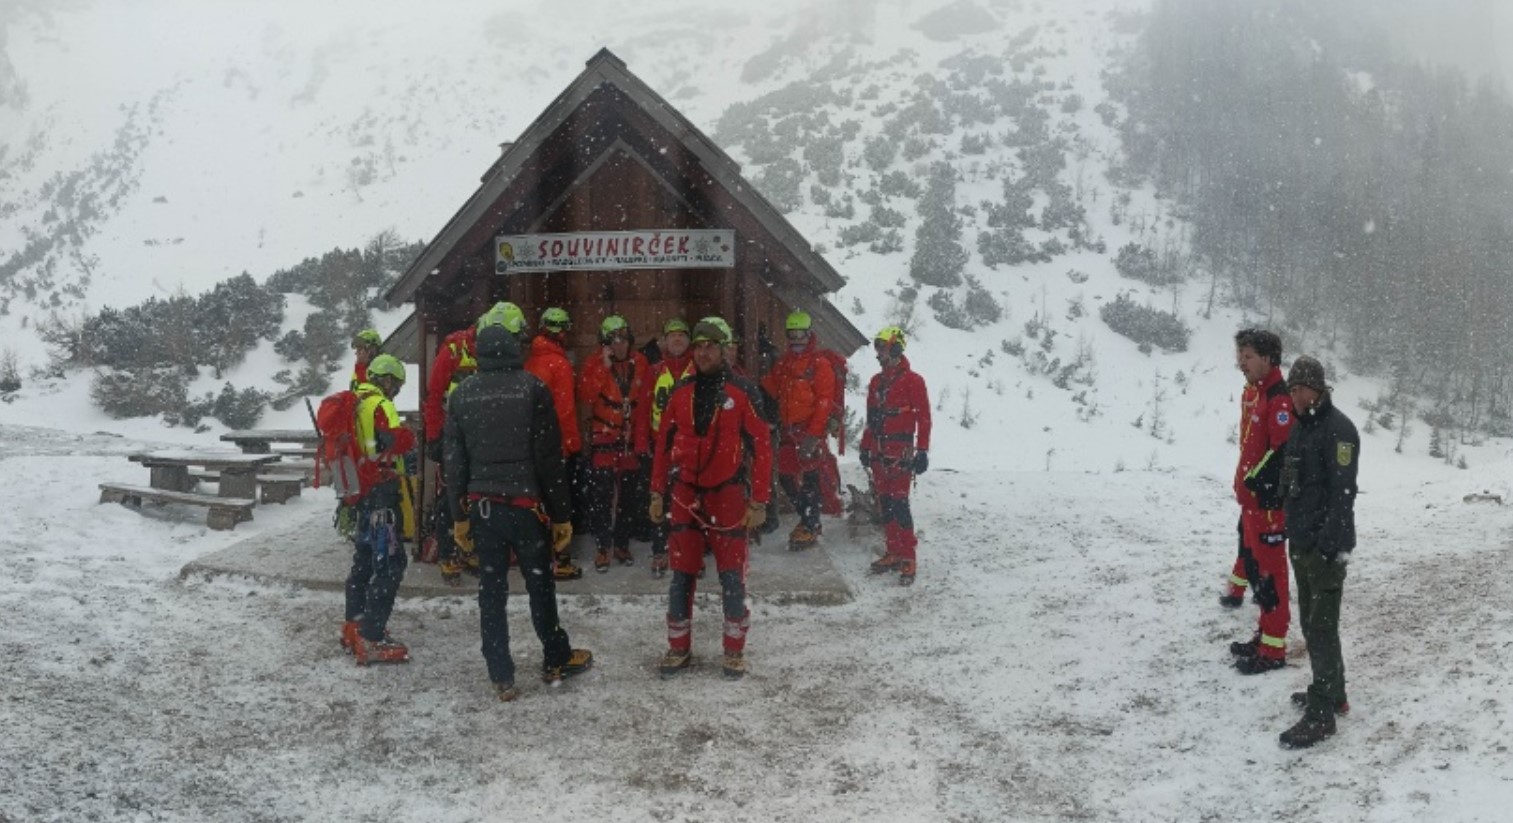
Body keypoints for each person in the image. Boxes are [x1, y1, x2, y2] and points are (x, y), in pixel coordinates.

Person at [443, 323, 593, 701]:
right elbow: (549, 460)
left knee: (490, 592)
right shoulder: (532, 388)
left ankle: (501, 674)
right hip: (528, 509)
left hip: (483, 509)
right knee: (540, 585)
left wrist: (457, 517)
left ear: (479, 354)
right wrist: (562, 516)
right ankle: (555, 658)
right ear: (513, 350)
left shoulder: (461, 395)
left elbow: (454, 462)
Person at [649, 317, 772, 680]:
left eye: (711, 346)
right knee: (681, 578)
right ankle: (678, 647)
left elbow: (762, 447)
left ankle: (734, 651)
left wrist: (760, 500)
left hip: (728, 496)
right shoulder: (680, 392)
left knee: (732, 579)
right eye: (698, 345)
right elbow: (662, 447)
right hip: (685, 495)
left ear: (724, 349)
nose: (703, 352)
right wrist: (657, 491)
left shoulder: (743, 393)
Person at [1272, 356, 1358, 747]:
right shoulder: (1302, 429)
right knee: (1311, 625)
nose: (1294, 395)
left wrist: (1326, 546)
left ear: (1318, 388)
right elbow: (1295, 481)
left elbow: (1343, 496)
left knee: (1321, 629)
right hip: (1302, 543)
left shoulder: (1338, 430)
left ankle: (1322, 713)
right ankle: (1333, 693)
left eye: (1300, 388)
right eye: (1291, 389)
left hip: (1324, 548)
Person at [422, 302, 526, 585]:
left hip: (483, 439)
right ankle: (447, 554)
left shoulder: (498, 354)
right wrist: (434, 437)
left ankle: (470, 550)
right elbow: (434, 397)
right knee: (450, 498)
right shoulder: (454, 350)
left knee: (479, 496)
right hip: (454, 436)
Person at [340, 354, 418, 665]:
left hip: (360, 491)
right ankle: (371, 637)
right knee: (390, 564)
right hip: (382, 493)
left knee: (363, 560)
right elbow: (393, 441)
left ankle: (353, 625)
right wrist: (408, 435)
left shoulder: (355, 400)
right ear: (387, 379)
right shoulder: (381, 405)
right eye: (396, 384)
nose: (396, 391)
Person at [1226, 329, 1295, 675]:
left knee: (1271, 577)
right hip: (1252, 505)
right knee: (1257, 571)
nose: (1241, 363)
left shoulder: (1280, 400)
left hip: (1268, 507)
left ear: (1269, 359)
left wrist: (1256, 485)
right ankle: (1264, 634)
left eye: (1248, 356)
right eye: (1240, 356)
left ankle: (1273, 650)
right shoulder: (1256, 393)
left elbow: (1282, 456)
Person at [577, 314, 650, 572]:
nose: (619, 345)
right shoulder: (594, 364)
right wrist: (602, 368)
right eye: (614, 341)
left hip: (629, 439)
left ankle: (621, 544)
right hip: (603, 437)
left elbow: (645, 402)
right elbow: (586, 395)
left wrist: (640, 439)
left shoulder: (640, 362)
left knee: (628, 497)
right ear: (605, 344)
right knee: (601, 496)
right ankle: (602, 547)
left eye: (623, 340)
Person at [859, 326, 931, 586]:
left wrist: (922, 450)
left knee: (900, 504)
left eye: (883, 348)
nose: (878, 354)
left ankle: (908, 556)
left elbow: (923, 418)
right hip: (879, 450)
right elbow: (871, 419)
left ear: (896, 349)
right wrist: (865, 447)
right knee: (886, 503)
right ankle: (893, 551)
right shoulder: (877, 383)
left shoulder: (914, 381)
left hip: (900, 452)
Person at [761, 310, 839, 550]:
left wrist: (814, 436)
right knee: (786, 476)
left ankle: (811, 524)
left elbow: (825, 401)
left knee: (810, 480)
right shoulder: (784, 362)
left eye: (800, 334)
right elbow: (773, 388)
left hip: (808, 431)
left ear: (809, 334)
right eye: (792, 334)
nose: (796, 339)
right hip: (788, 430)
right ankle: (807, 519)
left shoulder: (819, 365)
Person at [525, 306, 585, 580]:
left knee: (536, 502)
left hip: (530, 443)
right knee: (559, 503)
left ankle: (536, 556)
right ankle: (560, 559)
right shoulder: (558, 364)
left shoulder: (531, 359)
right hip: (553, 444)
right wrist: (572, 444)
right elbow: (565, 410)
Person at [643, 318, 694, 577]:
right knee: (658, 498)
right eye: (672, 336)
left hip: (689, 446)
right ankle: (660, 551)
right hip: (659, 446)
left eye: (681, 336)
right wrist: (642, 443)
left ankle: (689, 553)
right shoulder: (655, 371)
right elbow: (643, 409)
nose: (676, 340)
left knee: (688, 501)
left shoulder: (697, 370)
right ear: (664, 341)